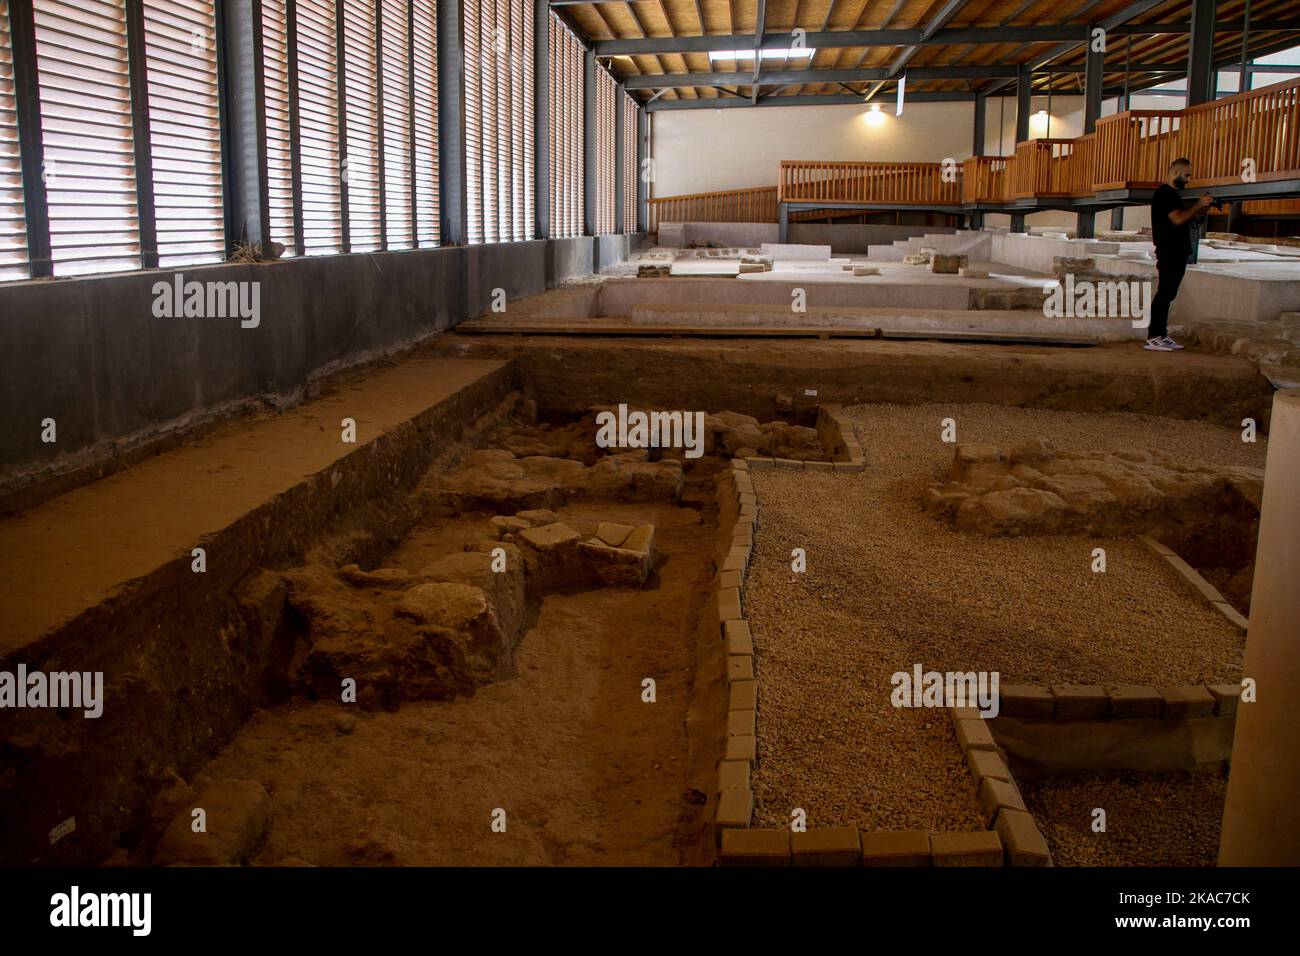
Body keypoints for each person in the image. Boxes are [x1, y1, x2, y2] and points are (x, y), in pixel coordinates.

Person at [1145, 158, 1215, 352]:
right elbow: (1177, 219)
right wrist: (1198, 204)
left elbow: (1184, 220)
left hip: (1177, 250)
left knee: (1169, 293)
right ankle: (1154, 336)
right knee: (1165, 293)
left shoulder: (1173, 195)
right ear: (1175, 173)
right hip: (1169, 251)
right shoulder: (1165, 194)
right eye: (1187, 175)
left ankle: (1162, 334)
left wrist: (1198, 211)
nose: (1189, 179)